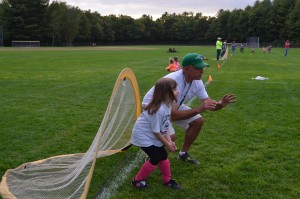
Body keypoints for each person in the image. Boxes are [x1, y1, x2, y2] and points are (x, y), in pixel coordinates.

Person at [142, 53, 236, 164]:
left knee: (198, 121)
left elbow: (208, 104)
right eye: (198, 68)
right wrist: (198, 109)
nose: (202, 70)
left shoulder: (197, 82)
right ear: (186, 69)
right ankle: (151, 154)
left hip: (171, 107)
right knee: (171, 137)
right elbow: (173, 115)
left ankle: (183, 154)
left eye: (202, 67)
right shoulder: (174, 82)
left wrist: (221, 104)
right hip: (154, 108)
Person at [131, 78, 181, 190]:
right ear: (166, 93)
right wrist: (167, 144)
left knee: (163, 155)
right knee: (155, 157)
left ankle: (167, 181)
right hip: (142, 136)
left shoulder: (167, 105)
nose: (178, 91)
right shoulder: (158, 109)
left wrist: (169, 141)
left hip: (152, 135)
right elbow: (156, 132)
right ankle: (137, 180)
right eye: (174, 89)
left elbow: (166, 125)